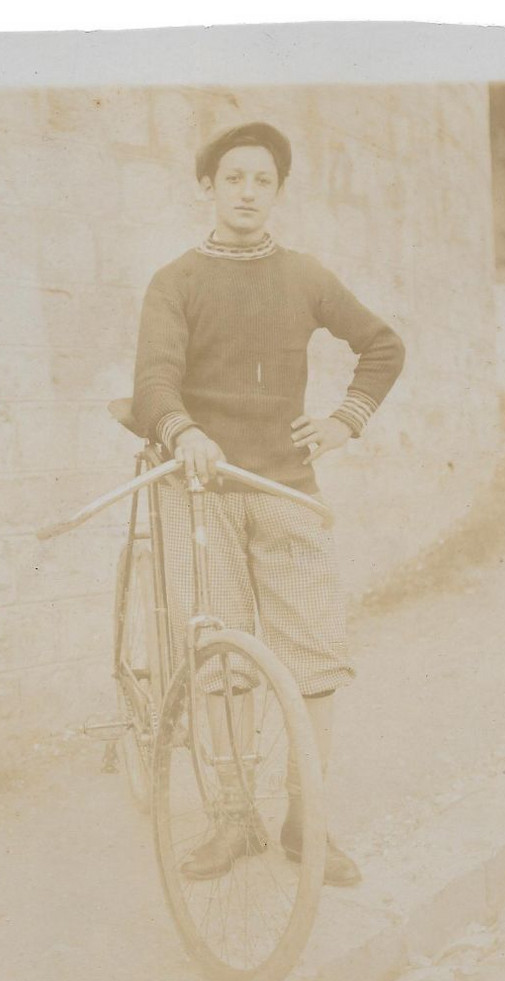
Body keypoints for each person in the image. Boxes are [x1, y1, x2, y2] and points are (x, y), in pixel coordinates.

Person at [132, 121, 405, 886]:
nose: (247, 192)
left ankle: (303, 822)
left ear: (277, 192)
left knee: (313, 662)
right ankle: (231, 819)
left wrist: (344, 421)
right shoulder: (175, 281)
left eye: (262, 180)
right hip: (201, 490)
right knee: (220, 661)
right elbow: (154, 379)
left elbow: (382, 346)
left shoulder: (305, 275)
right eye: (233, 179)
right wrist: (183, 431)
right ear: (208, 190)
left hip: (286, 487)